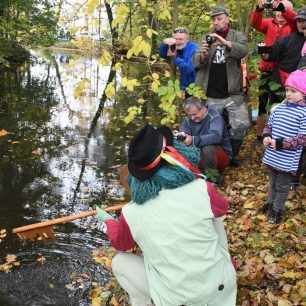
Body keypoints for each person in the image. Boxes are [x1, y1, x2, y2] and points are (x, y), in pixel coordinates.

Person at [95, 124, 237, 306]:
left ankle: (141, 301)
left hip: (178, 301)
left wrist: (107, 220)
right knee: (215, 217)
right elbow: (222, 207)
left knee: (119, 262)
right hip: (220, 288)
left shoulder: (131, 212)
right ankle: (226, 264)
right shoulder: (202, 188)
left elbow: (121, 244)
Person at [193, 6, 250, 160]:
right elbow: (197, 62)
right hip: (211, 93)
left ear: (227, 18)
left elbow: (243, 50)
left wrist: (225, 42)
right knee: (213, 128)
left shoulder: (237, 35)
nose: (216, 22)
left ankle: (231, 154)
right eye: (214, 19)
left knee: (241, 125)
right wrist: (204, 54)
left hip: (233, 93)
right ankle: (219, 156)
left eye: (219, 18)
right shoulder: (206, 37)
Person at [260, 70, 306, 224]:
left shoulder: (303, 113)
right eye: (287, 90)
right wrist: (266, 136)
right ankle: (270, 203)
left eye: (293, 91)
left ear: (303, 93)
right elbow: (269, 125)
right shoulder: (279, 109)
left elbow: (302, 139)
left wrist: (281, 143)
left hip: (287, 159)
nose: (289, 94)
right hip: (273, 155)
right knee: (272, 183)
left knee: (282, 185)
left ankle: (277, 209)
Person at [250, 0, 297, 141]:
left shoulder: (294, 26)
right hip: (267, 69)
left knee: (281, 104)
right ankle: (260, 136)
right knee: (263, 104)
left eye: (283, 10)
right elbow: (255, 23)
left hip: (285, 71)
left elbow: (294, 19)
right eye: (277, 9)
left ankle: (278, 134)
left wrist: (283, 8)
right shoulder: (269, 23)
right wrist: (259, 9)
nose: (280, 13)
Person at [179, 96, 232, 172]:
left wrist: (193, 140)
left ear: (203, 108)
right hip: (201, 155)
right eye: (189, 115)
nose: (192, 118)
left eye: (194, 114)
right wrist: (181, 136)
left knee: (207, 147)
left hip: (222, 155)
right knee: (181, 147)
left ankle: (211, 178)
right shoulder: (188, 119)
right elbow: (184, 132)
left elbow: (216, 137)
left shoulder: (214, 116)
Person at [259, 6, 306, 85]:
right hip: (283, 82)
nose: (301, 24)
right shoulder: (287, 40)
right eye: (298, 21)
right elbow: (271, 54)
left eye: (304, 21)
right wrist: (263, 52)